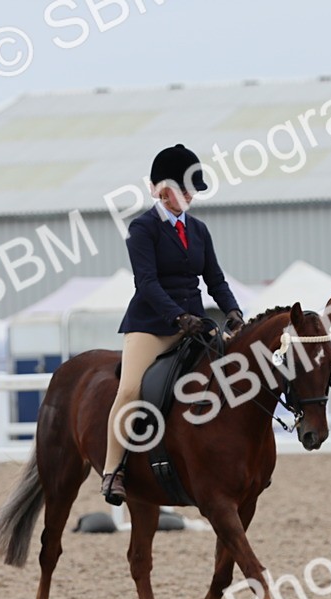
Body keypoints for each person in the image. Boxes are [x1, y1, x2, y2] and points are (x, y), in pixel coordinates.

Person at [100, 144, 244, 504]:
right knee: (130, 390)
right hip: (151, 324)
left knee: (233, 373)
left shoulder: (199, 230)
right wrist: (177, 317)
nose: (191, 197)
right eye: (185, 189)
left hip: (195, 322)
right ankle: (112, 470)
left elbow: (215, 279)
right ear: (164, 189)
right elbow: (146, 283)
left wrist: (232, 311)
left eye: (193, 190)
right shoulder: (142, 229)